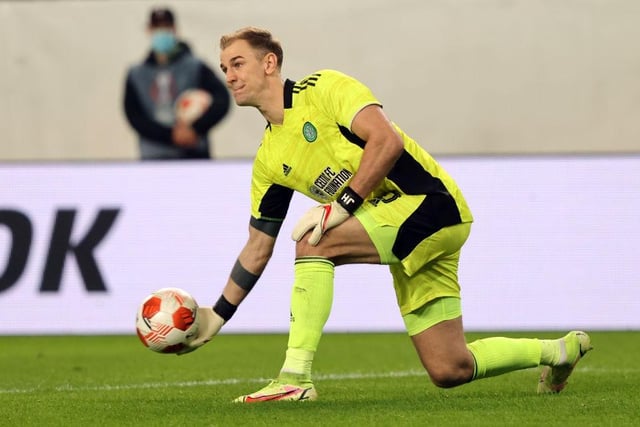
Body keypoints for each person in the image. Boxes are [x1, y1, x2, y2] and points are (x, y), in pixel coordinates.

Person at [181, 27, 593, 402]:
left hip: (431, 206)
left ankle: (295, 377)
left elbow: (386, 140)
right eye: (224, 68)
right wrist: (218, 314)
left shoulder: (322, 88)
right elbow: (258, 246)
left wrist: (341, 207)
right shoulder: (269, 159)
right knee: (450, 368)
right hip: (405, 226)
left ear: (269, 63)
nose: (229, 76)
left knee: (314, 242)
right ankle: (559, 351)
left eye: (238, 63)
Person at [123, 7, 230, 160]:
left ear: (174, 29)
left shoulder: (195, 66)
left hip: (194, 153)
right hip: (154, 156)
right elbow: (134, 116)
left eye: (166, 27)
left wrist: (196, 128)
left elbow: (221, 100)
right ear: (149, 30)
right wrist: (170, 135)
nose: (162, 32)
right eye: (157, 27)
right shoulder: (137, 74)